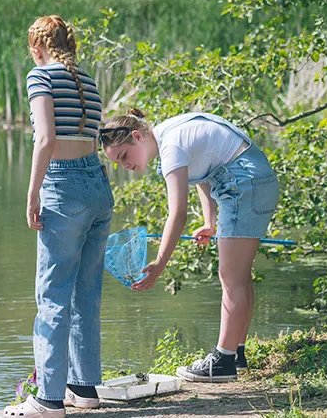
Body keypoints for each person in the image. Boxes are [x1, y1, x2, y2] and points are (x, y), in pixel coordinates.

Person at [99, 109, 279, 383]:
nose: (125, 165)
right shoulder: (166, 135)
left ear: (136, 137)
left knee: (231, 278)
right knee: (238, 276)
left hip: (244, 184)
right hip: (252, 180)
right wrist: (210, 221)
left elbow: (178, 213)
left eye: (123, 156)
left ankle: (223, 360)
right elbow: (205, 172)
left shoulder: (170, 146)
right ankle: (236, 353)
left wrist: (159, 263)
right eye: (117, 163)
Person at [3, 15, 112, 418]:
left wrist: (32, 194)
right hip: (98, 186)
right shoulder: (88, 80)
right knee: (85, 293)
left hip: (63, 187)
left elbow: (46, 139)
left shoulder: (41, 76)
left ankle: (48, 399)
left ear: (38, 47)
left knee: (51, 294)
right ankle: (83, 388)